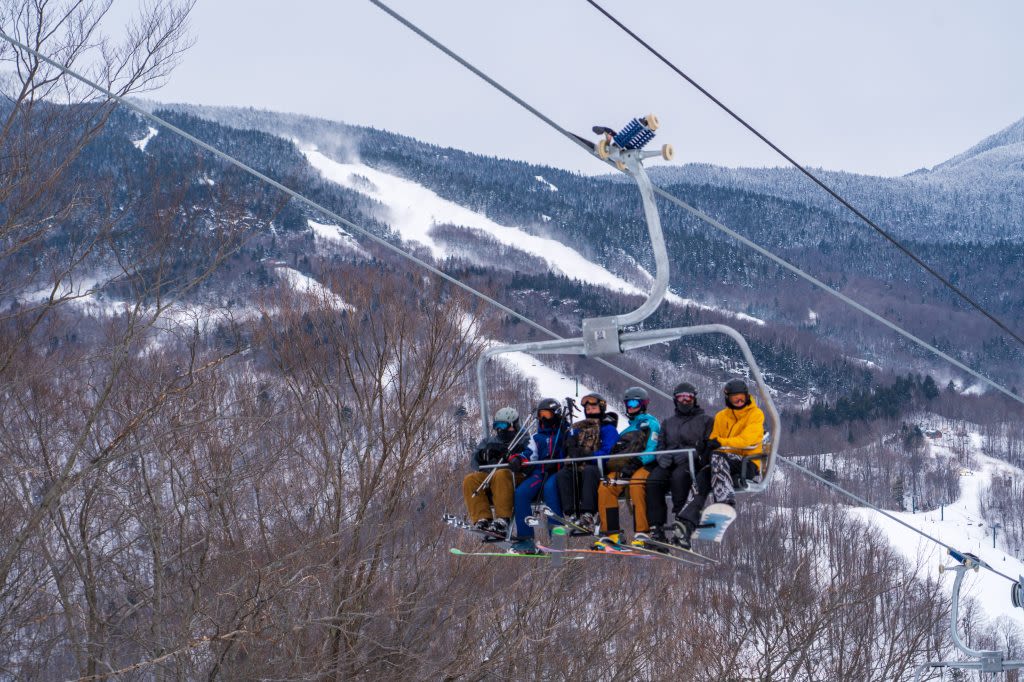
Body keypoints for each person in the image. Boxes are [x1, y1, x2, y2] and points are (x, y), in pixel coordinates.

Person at [671, 378, 765, 549]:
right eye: (735, 398)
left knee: (717, 457)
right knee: (702, 475)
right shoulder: (721, 417)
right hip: (722, 463)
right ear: (727, 398)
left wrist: (720, 443)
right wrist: (706, 447)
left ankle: (724, 501)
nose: (738, 401)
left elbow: (749, 439)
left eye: (742, 398)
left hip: (746, 463)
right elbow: (714, 438)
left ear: (747, 397)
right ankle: (685, 525)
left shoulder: (755, 414)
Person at [641, 382, 714, 547]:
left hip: (690, 462)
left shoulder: (705, 420)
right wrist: (661, 458)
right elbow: (660, 444)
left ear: (694, 399)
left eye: (688, 397)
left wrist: (696, 455)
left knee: (679, 477)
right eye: (681, 397)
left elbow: (709, 444)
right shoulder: (668, 422)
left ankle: (682, 527)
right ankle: (656, 528)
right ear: (675, 400)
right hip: (669, 461)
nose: (685, 400)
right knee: (653, 481)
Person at [594, 386, 661, 548]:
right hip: (624, 468)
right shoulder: (628, 429)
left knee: (637, 485)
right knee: (605, 486)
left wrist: (638, 462)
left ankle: (643, 533)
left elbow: (653, 448)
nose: (630, 407)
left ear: (643, 404)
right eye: (627, 403)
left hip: (644, 466)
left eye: (634, 403)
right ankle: (612, 533)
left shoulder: (651, 423)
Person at [461, 407, 530, 539]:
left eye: (503, 425)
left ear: (513, 425)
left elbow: (529, 459)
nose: (500, 429)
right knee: (470, 479)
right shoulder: (490, 442)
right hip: (491, 476)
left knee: (501, 474)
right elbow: (474, 463)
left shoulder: (523, 440)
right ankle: (482, 519)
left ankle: (502, 520)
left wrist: (514, 457)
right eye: (496, 425)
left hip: (515, 478)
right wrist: (482, 455)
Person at [510, 398, 568, 554]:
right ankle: (526, 538)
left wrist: (565, 432)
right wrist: (518, 459)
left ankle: (557, 538)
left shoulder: (564, 433)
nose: (543, 419)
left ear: (555, 415)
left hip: (557, 472)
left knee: (550, 490)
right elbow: (530, 453)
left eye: (547, 415)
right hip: (540, 472)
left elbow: (571, 448)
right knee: (521, 493)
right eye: (541, 415)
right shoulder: (536, 437)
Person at [557, 393, 619, 533]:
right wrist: (568, 446)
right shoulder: (579, 429)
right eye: (588, 409)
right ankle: (571, 514)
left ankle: (588, 514)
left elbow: (609, 453)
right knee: (563, 474)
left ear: (601, 408)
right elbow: (565, 455)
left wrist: (587, 455)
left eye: (593, 407)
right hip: (578, 467)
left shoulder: (608, 429)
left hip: (598, 469)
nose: (590, 411)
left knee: (589, 471)